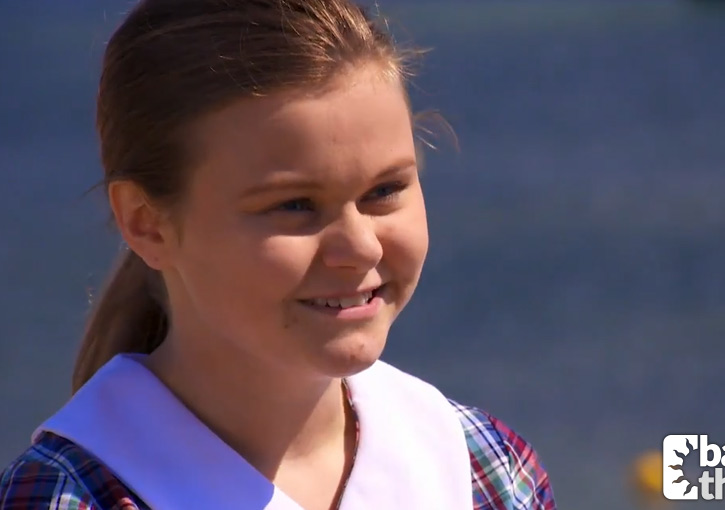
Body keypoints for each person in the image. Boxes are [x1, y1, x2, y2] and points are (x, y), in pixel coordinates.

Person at [0, 1, 555, 508]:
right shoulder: (70, 496)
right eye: (294, 205)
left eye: (384, 190)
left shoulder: (481, 470)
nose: (360, 247)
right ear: (146, 223)